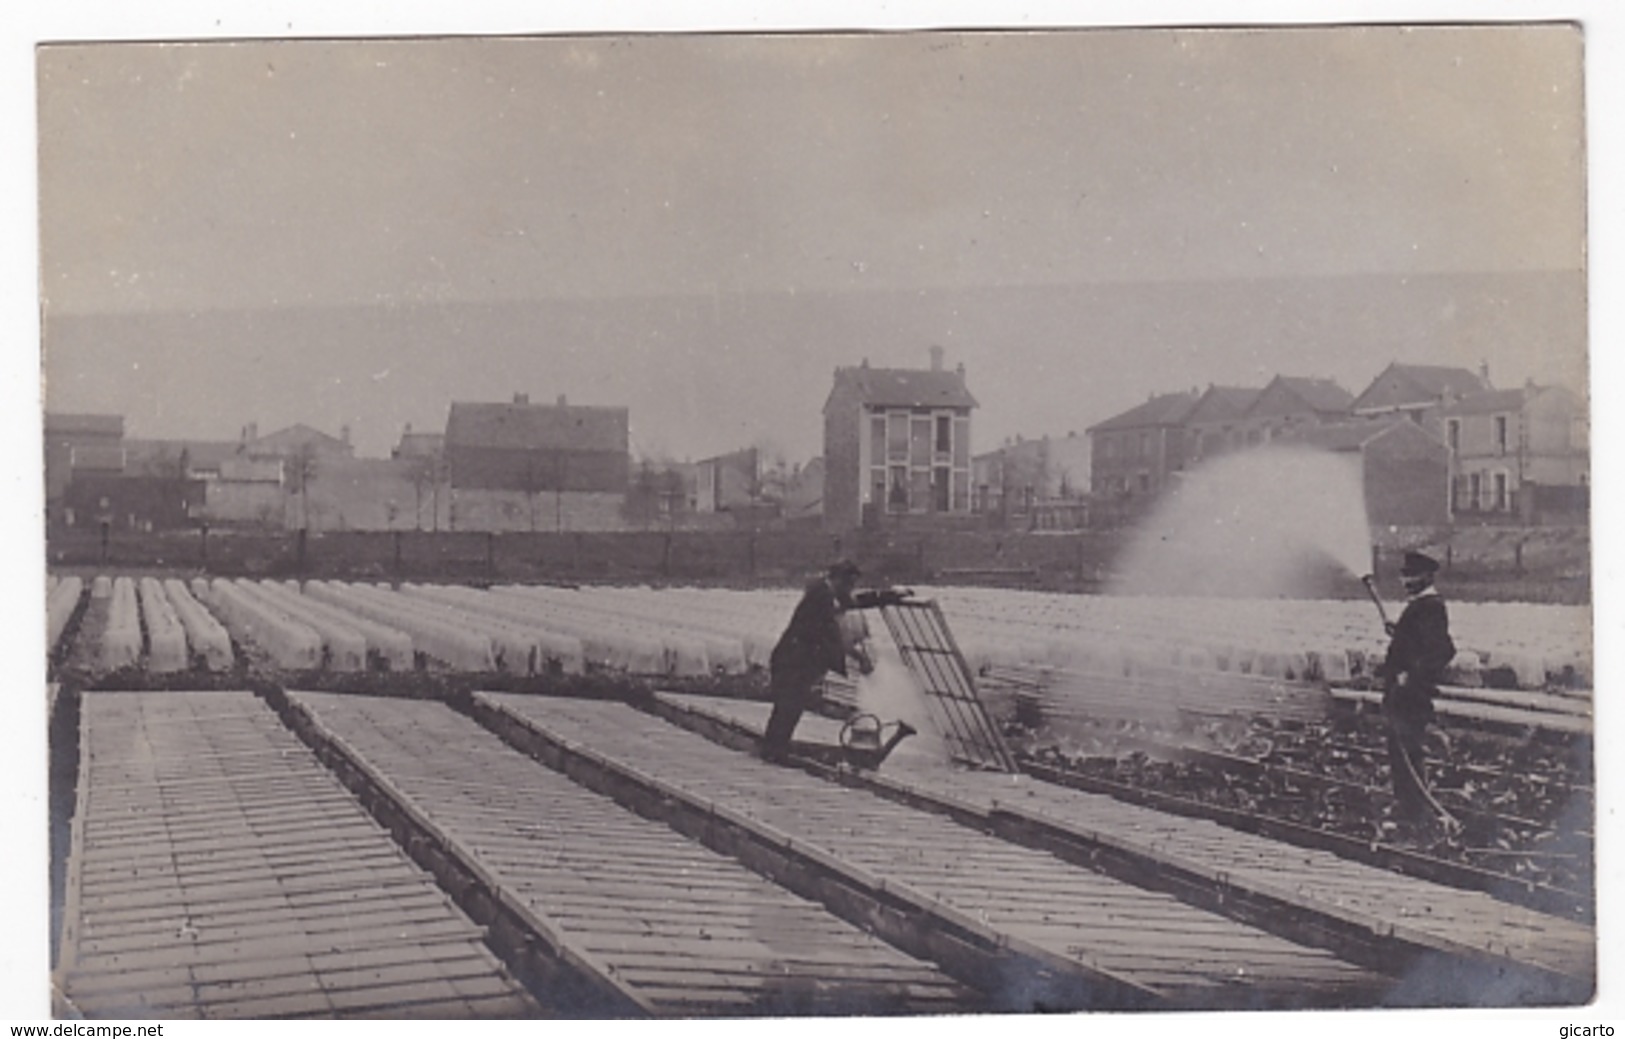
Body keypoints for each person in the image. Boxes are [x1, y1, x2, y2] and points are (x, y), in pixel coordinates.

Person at [761, 560, 904, 761]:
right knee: (789, 706)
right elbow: (829, 636)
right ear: (838, 579)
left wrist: (886, 597)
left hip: (796, 660)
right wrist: (859, 656)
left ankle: (774, 749)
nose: (850, 589)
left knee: (788, 707)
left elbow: (855, 601)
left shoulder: (826, 593)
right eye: (849, 584)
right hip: (794, 661)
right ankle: (774, 751)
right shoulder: (821, 597)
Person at [1378, 550, 1457, 828]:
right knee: (1401, 751)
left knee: (1407, 751)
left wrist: (1411, 676)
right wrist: (1398, 632)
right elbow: (1417, 642)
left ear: (1427, 577)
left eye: (1412, 576)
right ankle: (1409, 807)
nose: (1406, 582)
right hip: (1404, 694)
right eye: (1405, 576)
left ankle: (1416, 812)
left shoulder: (1430, 606)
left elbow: (1443, 650)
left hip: (1411, 695)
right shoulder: (1421, 606)